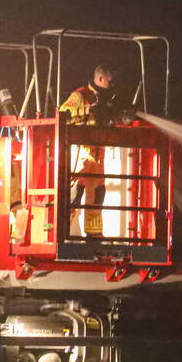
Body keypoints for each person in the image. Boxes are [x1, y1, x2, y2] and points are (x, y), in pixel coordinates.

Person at [59, 65, 119, 237]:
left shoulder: (109, 99)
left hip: (99, 155)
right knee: (75, 195)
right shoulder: (80, 95)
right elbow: (63, 114)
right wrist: (87, 110)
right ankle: (62, 232)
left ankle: (94, 235)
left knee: (97, 195)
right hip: (81, 154)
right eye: (110, 80)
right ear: (100, 78)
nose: (113, 84)